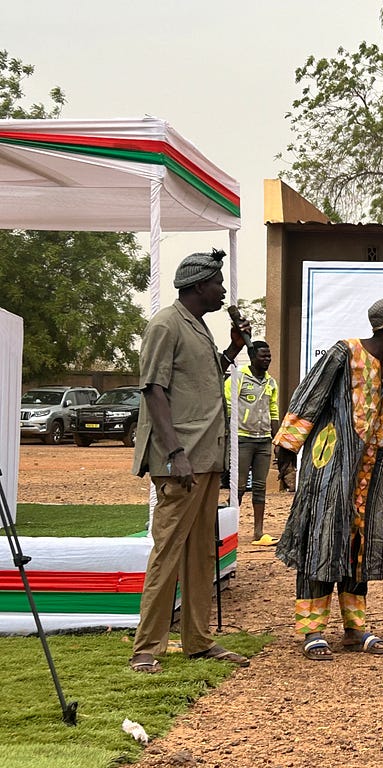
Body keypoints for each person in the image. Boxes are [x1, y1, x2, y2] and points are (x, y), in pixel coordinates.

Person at [273, 296, 383, 660]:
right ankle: (313, 631)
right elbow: (309, 396)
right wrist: (287, 447)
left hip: (374, 469)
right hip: (333, 464)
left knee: (358, 544)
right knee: (322, 537)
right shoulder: (344, 353)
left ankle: (354, 628)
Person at [129, 249, 251, 674]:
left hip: (206, 457)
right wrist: (175, 452)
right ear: (200, 285)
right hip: (179, 461)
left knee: (201, 554)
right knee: (168, 551)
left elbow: (200, 380)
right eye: (218, 283)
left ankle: (198, 640)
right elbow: (154, 390)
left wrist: (234, 349)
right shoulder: (166, 323)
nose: (222, 291)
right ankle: (146, 649)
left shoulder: (196, 325)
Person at [224, 340, 280, 545]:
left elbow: (273, 411)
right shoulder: (237, 378)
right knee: (237, 486)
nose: (267, 359)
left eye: (269, 356)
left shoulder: (271, 382)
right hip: (242, 439)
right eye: (263, 356)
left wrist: (277, 440)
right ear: (252, 356)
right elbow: (229, 407)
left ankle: (258, 532)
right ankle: (230, 532)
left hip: (263, 440)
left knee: (259, 486)